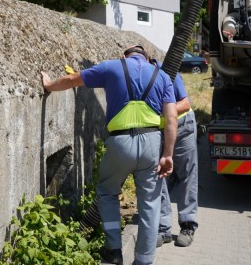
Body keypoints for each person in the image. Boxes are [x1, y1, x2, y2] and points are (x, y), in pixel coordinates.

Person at [41, 45, 177, 265]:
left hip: (120, 143)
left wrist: (48, 84)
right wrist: (168, 154)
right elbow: (171, 119)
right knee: (150, 204)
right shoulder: (161, 76)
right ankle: (144, 260)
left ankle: (113, 249)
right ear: (147, 58)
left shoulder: (112, 67)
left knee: (107, 191)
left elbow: (72, 79)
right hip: (152, 142)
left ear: (124, 56)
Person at [155, 66, 198, 248]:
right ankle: (163, 229)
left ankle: (187, 225)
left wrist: (160, 113)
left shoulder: (164, 71)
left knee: (186, 175)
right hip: (158, 130)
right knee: (159, 175)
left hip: (182, 128)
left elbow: (185, 103)